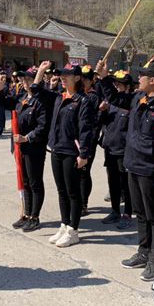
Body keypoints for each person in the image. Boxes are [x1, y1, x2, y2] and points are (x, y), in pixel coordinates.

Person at [97, 59, 154, 281]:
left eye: (142, 76)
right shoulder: (139, 98)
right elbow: (116, 99)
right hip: (133, 165)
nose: (139, 79)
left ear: (152, 80)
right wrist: (104, 78)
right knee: (141, 214)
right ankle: (143, 252)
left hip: (152, 169)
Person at [32, 61, 96, 248]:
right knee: (61, 191)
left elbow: (86, 130)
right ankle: (64, 224)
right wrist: (41, 70)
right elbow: (36, 89)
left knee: (72, 192)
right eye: (61, 75)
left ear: (77, 78)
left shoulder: (83, 101)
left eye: (66, 75)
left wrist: (84, 154)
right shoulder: (59, 98)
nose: (62, 78)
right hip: (56, 149)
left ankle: (73, 230)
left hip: (72, 152)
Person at [0, 66, 48, 232]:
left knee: (34, 182)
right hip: (21, 148)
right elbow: (0, 102)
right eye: (23, 79)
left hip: (34, 147)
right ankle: (26, 213)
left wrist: (27, 137)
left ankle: (35, 216)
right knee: (24, 182)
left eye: (29, 79)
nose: (24, 82)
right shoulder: (22, 98)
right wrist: (0, 86)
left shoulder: (41, 101)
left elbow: (43, 126)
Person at [98, 70, 134, 229]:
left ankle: (127, 212)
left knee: (126, 183)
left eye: (119, 84)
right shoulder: (111, 103)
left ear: (127, 87)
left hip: (124, 149)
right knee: (112, 181)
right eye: (115, 84)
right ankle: (114, 210)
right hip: (110, 148)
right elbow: (103, 123)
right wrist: (102, 111)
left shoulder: (131, 102)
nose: (116, 87)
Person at [80, 65, 101, 216]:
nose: (83, 81)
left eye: (86, 79)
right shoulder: (78, 95)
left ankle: (83, 203)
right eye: (81, 78)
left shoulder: (93, 97)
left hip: (88, 141)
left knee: (84, 173)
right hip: (75, 140)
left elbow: (94, 122)